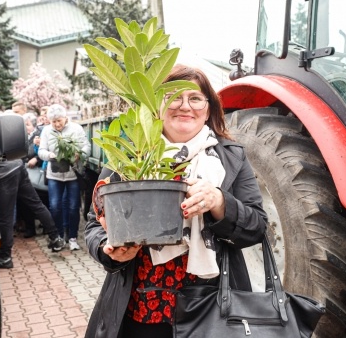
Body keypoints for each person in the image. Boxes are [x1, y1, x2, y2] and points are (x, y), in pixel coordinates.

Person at [84, 64, 267, 338]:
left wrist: (219, 202)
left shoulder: (231, 158)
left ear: (208, 108)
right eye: (174, 97)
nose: (185, 106)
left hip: (211, 310)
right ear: (157, 107)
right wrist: (109, 249)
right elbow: (94, 225)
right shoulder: (130, 158)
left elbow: (257, 227)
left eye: (195, 98)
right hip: (141, 308)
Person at [38, 104, 91, 251]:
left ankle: (73, 238)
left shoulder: (76, 128)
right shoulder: (47, 131)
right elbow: (41, 150)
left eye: (59, 121)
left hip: (72, 174)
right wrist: (49, 155)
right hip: (54, 174)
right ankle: (59, 237)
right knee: (55, 207)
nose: (56, 124)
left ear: (65, 118)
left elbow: (87, 146)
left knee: (74, 207)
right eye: (53, 122)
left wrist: (79, 154)